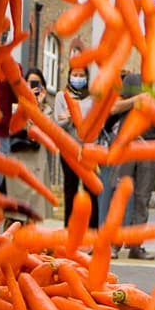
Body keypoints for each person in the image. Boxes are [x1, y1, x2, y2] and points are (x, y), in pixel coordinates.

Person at [108, 73, 155, 260]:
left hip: (149, 144)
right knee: (120, 194)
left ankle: (136, 245)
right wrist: (136, 100)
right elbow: (114, 107)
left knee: (143, 198)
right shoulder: (132, 80)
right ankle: (114, 243)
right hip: (127, 142)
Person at [5, 68, 52, 221]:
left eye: (37, 84)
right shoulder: (15, 106)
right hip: (19, 158)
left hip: (37, 162)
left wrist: (38, 104)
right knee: (15, 213)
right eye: (30, 83)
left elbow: (46, 131)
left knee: (33, 212)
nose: (33, 87)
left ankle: (30, 241)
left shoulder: (48, 111)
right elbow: (18, 126)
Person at [55, 66, 99, 228]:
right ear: (69, 76)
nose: (78, 78)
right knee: (70, 190)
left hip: (89, 150)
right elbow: (58, 124)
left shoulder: (92, 98)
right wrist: (68, 117)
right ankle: (69, 230)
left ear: (87, 77)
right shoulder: (62, 96)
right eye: (75, 75)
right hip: (69, 150)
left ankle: (92, 230)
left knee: (91, 191)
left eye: (82, 75)